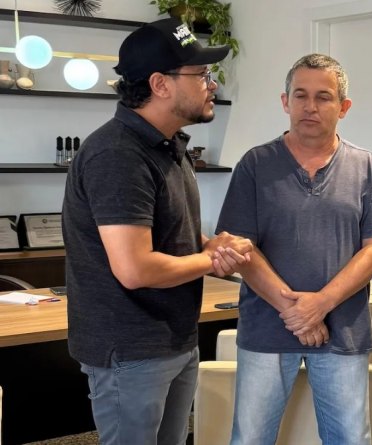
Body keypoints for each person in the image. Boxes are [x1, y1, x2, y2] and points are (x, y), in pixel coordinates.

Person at [61, 18, 252, 445]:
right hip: (131, 347)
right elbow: (136, 269)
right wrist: (212, 258)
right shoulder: (117, 155)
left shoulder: (169, 146)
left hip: (173, 337)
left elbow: (169, 233)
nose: (212, 84)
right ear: (160, 84)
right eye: (201, 74)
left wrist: (210, 245)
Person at [215, 53, 372, 445]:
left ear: (343, 107)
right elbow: (241, 249)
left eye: (323, 97)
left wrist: (320, 304)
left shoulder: (367, 167)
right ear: (285, 102)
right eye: (300, 95)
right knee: (250, 437)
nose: (310, 106)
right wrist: (296, 312)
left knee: (350, 438)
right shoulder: (255, 165)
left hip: (343, 331)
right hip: (267, 328)